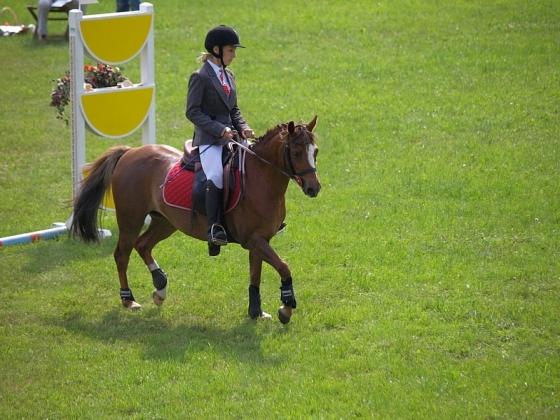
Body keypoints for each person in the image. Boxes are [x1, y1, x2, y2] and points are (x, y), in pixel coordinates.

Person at [186, 25, 255, 256]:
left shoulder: (229, 75)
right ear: (216, 50)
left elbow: (233, 109)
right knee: (215, 175)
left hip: (232, 137)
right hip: (209, 140)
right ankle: (214, 229)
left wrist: (243, 127)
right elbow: (192, 112)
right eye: (231, 50)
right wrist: (219, 129)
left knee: (252, 164)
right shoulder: (200, 77)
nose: (234, 55)